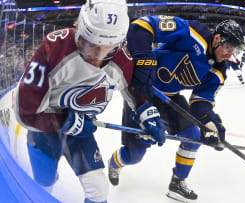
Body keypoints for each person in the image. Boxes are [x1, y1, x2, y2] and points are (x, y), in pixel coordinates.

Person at [14, 1, 165, 203]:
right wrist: (66, 121)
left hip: (80, 129)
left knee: (99, 189)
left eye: (109, 49)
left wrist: (147, 111)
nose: (98, 58)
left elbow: (132, 89)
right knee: (44, 183)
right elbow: (25, 110)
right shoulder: (54, 47)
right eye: (91, 45)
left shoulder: (121, 56)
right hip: (44, 130)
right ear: (79, 29)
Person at [108, 16, 245, 202]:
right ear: (217, 39)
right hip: (143, 92)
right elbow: (142, 26)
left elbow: (200, 102)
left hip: (170, 97)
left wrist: (211, 122)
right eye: (229, 47)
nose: (230, 54)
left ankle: (177, 183)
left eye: (235, 50)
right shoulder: (192, 32)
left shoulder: (218, 72)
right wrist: (143, 59)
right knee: (135, 155)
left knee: (194, 136)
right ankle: (114, 162)